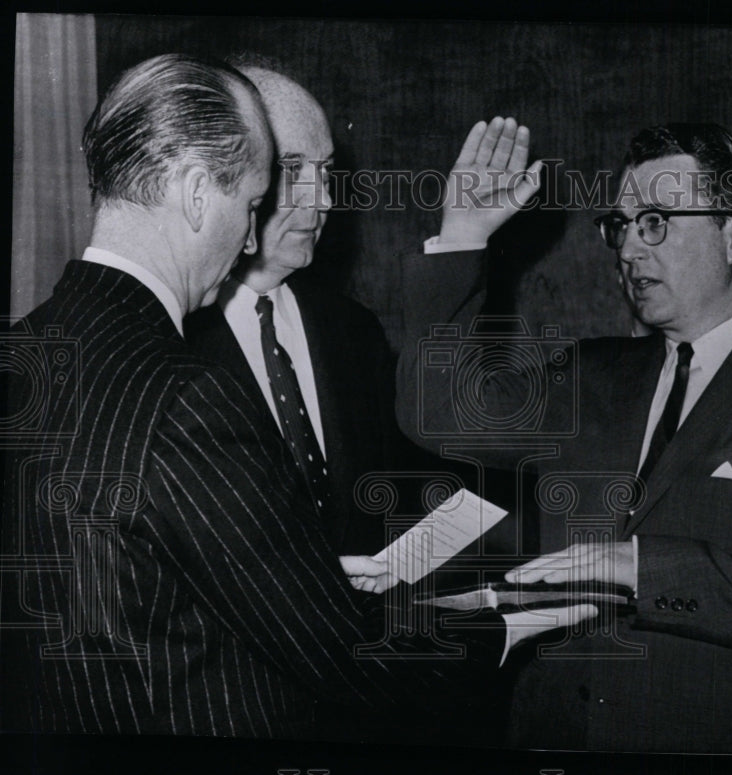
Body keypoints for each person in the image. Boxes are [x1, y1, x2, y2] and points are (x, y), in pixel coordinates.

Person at [0, 58, 592, 740]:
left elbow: (115, 578)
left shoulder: (31, 350)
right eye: (255, 201)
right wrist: (510, 622)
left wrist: (294, 571)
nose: (251, 236)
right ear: (197, 193)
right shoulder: (189, 391)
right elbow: (347, 657)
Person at [395, 118, 732, 754]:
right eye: (621, 226)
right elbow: (439, 412)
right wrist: (462, 235)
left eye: (656, 222)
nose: (628, 249)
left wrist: (642, 568)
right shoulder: (591, 375)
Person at [184, 63, 422, 555]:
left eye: (327, 172)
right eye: (292, 171)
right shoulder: (172, 334)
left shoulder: (355, 332)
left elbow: (390, 505)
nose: (324, 201)